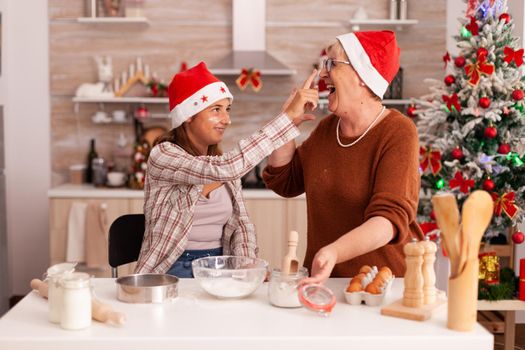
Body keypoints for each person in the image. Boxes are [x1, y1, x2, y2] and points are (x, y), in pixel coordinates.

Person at [263, 31, 424, 283]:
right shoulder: (328, 129)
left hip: (383, 283)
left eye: (332, 64)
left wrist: (334, 251)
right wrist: (287, 121)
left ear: (362, 75)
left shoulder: (398, 131)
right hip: (326, 280)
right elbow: (284, 181)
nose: (323, 73)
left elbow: (388, 221)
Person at [134, 62, 318, 276]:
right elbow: (227, 168)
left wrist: (248, 263)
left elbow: (241, 225)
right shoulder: (164, 155)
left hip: (220, 268)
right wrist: (285, 120)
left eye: (227, 109)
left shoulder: (221, 163)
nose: (227, 119)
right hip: (172, 271)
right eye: (216, 110)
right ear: (188, 115)